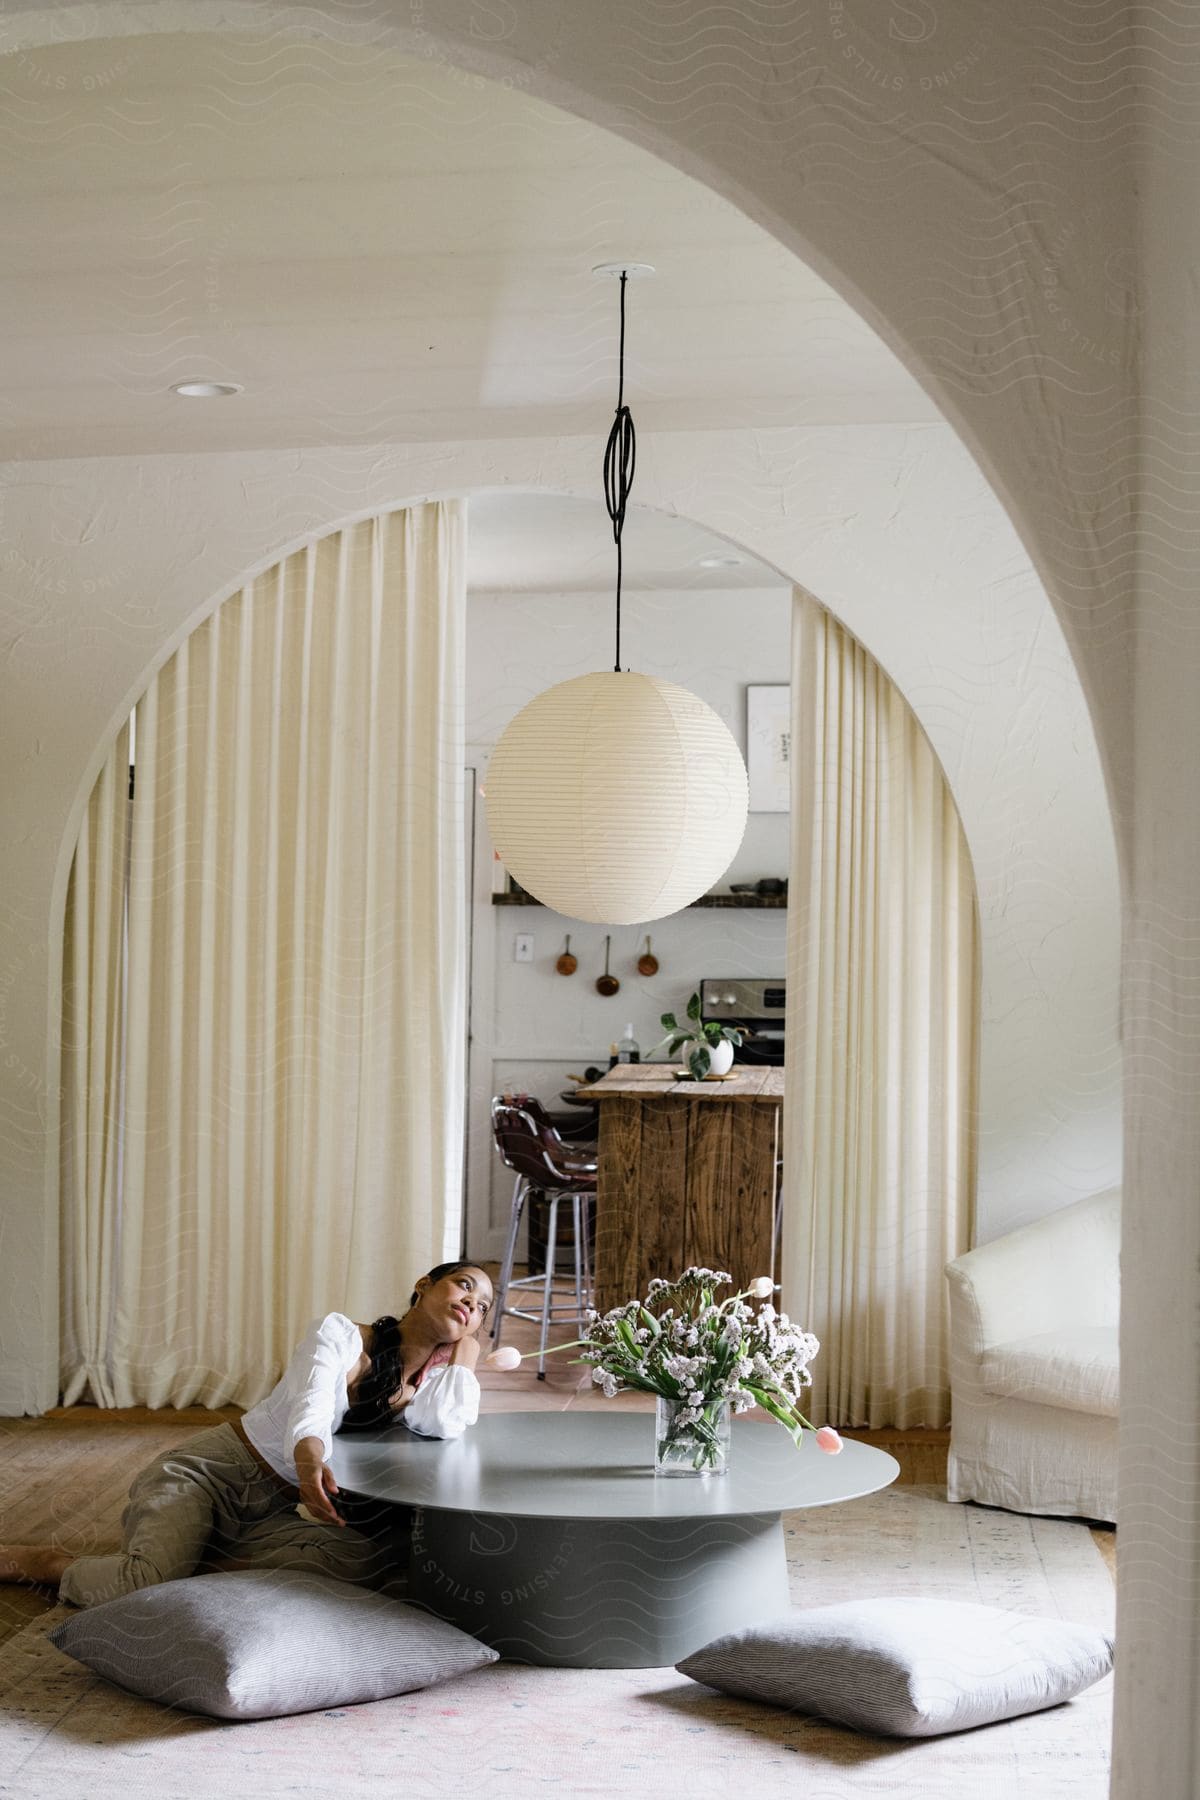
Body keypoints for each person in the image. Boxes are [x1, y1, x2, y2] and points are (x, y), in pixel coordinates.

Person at [0, 1259, 493, 1608]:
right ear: (425, 1284)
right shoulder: (343, 1336)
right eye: (464, 1286)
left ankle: (186, 1562)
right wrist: (308, 1463)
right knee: (138, 1584)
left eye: (485, 1307)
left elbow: (441, 1424)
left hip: (268, 1513)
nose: (473, 1302)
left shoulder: (427, 1384)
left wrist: (465, 1358)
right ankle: (46, 1561)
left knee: (366, 1561)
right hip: (204, 1477)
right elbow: (313, 1407)